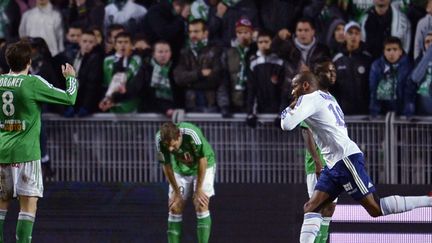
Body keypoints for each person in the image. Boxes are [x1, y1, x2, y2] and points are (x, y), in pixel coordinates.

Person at [280, 71, 432, 243]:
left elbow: (286, 125)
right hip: (333, 164)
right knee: (311, 207)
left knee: (375, 208)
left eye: (294, 86)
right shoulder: (327, 97)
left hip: (345, 160)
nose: (292, 91)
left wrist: (290, 106)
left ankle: (428, 201)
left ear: (305, 85)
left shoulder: (309, 99)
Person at [0, 40, 77, 242]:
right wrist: (71, 79)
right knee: (28, 205)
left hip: (2, 152)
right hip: (27, 153)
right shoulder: (33, 82)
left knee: (1, 205)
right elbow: (69, 98)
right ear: (29, 61)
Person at [156, 122, 216, 243]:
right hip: (179, 169)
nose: (170, 149)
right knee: (174, 207)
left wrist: (198, 189)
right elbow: (166, 166)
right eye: (167, 146)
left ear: (179, 136)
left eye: (173, 145)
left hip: (204, 166)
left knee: (201, 204)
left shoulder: (192, 134)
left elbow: (202, 161)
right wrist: (176, 191)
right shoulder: (159, 140)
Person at [300, 61, 337, 243]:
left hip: (334, 163)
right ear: (318, 75)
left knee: (329, 208)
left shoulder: (330, 97)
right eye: (328, 72)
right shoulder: (312, 98)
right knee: (316, 207)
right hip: (320, 164)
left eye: (334, 71)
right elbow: (306, 131)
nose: (332, 74)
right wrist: (317, 161)